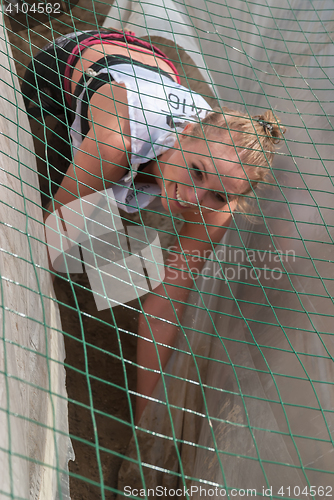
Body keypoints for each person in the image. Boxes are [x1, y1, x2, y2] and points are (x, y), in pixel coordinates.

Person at [22, 29, 284, 423]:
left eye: (218, 195)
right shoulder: (118, 141)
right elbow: (38, 248)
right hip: (73, 62)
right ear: (188, 131)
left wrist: (149, 428)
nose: (195, 200)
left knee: (101, 240)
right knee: (49, 194)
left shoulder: (219, 200)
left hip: (156, 75)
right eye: (197, 173)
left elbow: (166, 306)